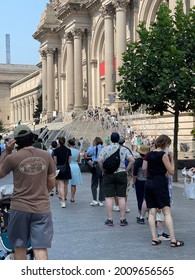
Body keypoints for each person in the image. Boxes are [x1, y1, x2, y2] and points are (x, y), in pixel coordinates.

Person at [0, 125, 56, 260]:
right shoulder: (46, 155)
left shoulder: (12, 158)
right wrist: (42, 194)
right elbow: (52, 183)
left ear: (16, 141)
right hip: (42, 208)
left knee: (20, 247)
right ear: (32, 137)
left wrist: (6, 152)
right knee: (41, 248)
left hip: (19, 208)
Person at [142, 134, 184, 247]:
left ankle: (154, 238)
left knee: (152, 212)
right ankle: (173, 240)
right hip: (160, 184)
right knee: (167, 212)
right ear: (165, 144)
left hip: (149, 183)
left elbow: (144, 168)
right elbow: (171, 171)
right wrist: (172, 159)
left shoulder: (148, 154)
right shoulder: (164, 155)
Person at [98, 132, 134, 226]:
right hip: (121, 174)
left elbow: (99, 161)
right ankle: (122, 219)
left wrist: (103, 170)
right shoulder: (124, 149)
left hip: (108, 174)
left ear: (111, 139)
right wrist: (126, 170)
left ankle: (110, 219)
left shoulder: (105, 149)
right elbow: (132, 160)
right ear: (118, 139)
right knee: (121, 197)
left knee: (109, 198)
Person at [133, 144, 150, 224]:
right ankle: (150, 214)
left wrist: (133, 181)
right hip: (149, 181)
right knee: (148, 198)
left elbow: (135, 173)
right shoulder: (150, 160)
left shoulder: (138, 161)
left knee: (140, 197)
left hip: (139, 181)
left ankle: (141, 214)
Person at [86, 137, 105, 206]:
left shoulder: (94, 148)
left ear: (96, 142)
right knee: (102, 184)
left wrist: (92, 145)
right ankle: (101, 201)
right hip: (103, 165)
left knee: (94, 183)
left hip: (96, 165)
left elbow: (88, 153)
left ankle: (94, 200)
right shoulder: (104, 148)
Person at [53, 136, 72, 208]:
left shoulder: (56, 150)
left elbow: (55, 161)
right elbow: (69, 161)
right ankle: (64, 200)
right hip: (66, 168)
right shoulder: (68, 150)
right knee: (66, 185)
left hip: (59, 168)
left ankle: (63, 201)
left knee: (61, 185)